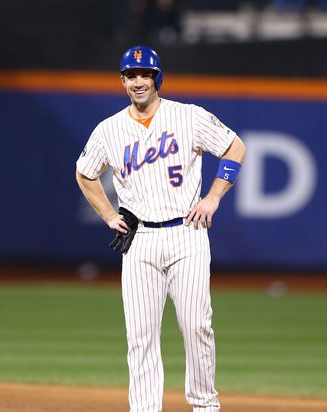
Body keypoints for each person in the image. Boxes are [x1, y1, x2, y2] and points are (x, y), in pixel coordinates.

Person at [76, 45, 246, 412]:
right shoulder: (109, 130)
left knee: (197, 327)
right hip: (140, 241)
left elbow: (235, 148)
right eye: (131, 75)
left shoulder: (188, 117)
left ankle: (204, 405)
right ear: (122, 80)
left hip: (187, 234)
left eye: (145, 74)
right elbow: (85, 173)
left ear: (157, 78)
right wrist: (108, 214)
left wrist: (214, 197)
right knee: (140, 337)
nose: (138, 82)